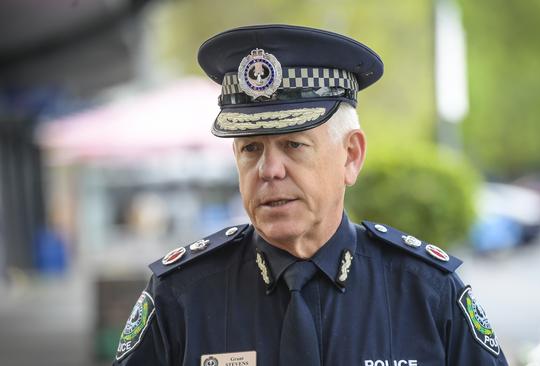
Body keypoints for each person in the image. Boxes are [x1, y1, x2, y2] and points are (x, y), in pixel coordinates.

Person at [113, 24, 509, 366]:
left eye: (293, 145)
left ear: (350, 156)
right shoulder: (182, 295)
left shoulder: (427, 291)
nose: (269, 170)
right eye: (251, 149)